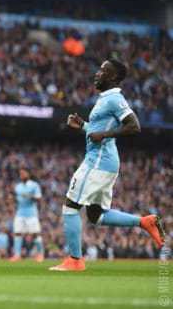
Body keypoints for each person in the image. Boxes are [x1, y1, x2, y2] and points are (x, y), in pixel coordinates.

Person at [50, 59, 165, 272]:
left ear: (113, 77)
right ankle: (144, 222)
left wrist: (105, 134)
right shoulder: (104, 99)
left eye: (103, 71)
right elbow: (97, 132)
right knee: (96, 215)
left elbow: (134, 125)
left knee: (70, 205)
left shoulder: (115, 99)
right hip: (103, 161)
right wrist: (84, 126)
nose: (97, 73)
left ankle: (75, 260)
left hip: (98, 162)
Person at [9, 167, 44, 262]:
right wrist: (12, 199)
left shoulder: (34, 185)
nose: (22, 175)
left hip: (31, 212)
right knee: (17, 233)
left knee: (35, 233)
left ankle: (40, 254)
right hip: (20, 212)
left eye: (23, 173)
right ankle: (17, 255)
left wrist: (29, 196)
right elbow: (16, 199)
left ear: (28, 174)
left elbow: (39, 198)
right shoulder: (18, 186)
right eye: (20, 174)